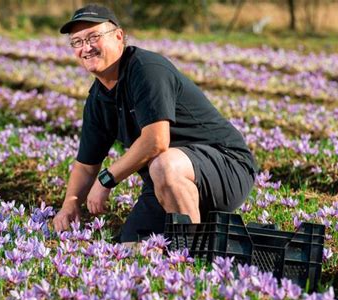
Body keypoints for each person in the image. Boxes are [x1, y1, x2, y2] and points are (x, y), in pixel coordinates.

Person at [52, 4, 258, 242]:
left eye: (93, 37)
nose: (86, 48)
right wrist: (70, 204)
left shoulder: (145, 69)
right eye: (77, 42)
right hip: (164, 181)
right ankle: (193, 233)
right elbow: (86, 165)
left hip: (226, 166)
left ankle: (187, 256)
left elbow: (157, 141)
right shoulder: (98, 99)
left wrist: (107, 180)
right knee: (129, 249)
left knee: (164, 163)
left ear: (118, 37)